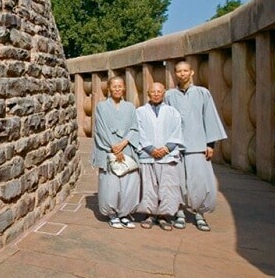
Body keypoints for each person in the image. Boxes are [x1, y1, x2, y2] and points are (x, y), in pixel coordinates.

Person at [164, 60, 227, 231]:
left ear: (192, 72)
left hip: (198, 145)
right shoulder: (169, 95)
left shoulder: (202, 93)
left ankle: (199, 214)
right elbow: (166, 121)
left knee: (200, 182)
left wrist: (210, 144)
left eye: (185, 70)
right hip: (176, 147)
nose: (182, 74)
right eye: (179, 71)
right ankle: (180, 213)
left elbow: (210, 117)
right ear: (175, 74)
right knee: (178, 182)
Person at [92, 76, 140, 228]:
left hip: (127, 149)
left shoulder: (131, 107)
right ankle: (112, 213)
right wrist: (113, 147)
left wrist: (124, 143)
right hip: (109, 150)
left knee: (129, 183)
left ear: (124, 88)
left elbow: (134, 128)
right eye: (114, 86)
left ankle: (124, 213)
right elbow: (101, 129)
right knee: (110, 184)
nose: (117, 89)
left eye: (120, 86)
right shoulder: (101, 107)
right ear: (109, 88)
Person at [136, 82, 183, 231]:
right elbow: (138, 131)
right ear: (148, 93)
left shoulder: (172, 112)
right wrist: (150, 149)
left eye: (159, 92)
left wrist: (166, 149)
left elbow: (177, 132)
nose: (156, 94)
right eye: (153, 91)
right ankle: (149, 215)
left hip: (167, 156)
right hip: (148, 155)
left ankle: (164, 216)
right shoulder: (140, 112)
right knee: (149, 186)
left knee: (168, 186)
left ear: (164, 94)